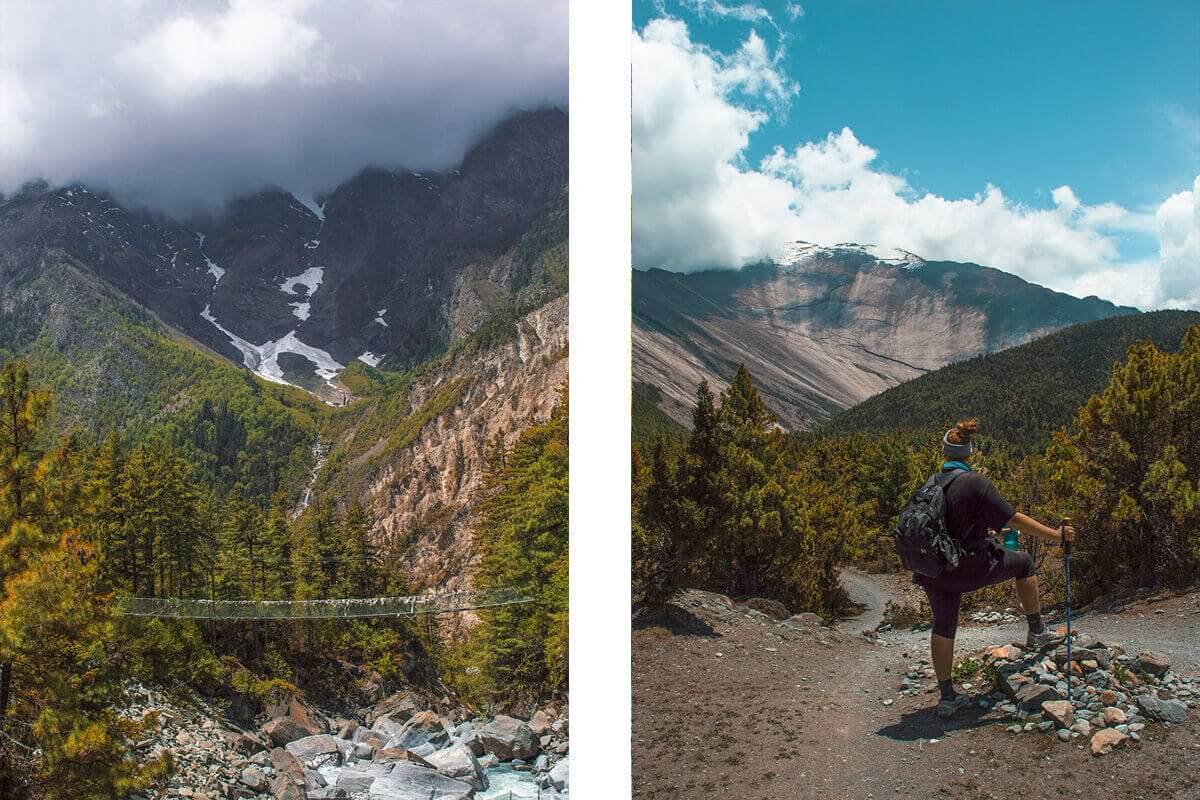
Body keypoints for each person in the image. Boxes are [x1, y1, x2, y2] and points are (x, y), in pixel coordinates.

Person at [917, 419, 1076, 719]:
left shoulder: (931, 482)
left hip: (934, 568)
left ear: (944, 452)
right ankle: (1037, 631)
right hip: (966, 567)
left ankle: (947, 697)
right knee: (1024, 563)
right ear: (970, 452)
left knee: (944, 624)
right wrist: (1055, 536)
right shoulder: (975, 483)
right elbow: (1013, 518)